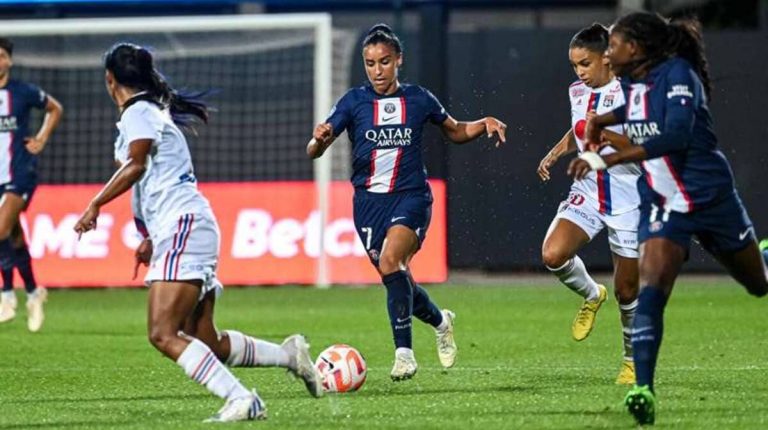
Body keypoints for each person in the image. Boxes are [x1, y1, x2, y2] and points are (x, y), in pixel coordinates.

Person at [74, 43, 322, 423]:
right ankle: (290, 356)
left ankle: (242, 398)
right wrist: (152, 237)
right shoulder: (149, 113)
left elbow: (137, 166)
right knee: (205, 340)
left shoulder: (139, 112)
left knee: (162, 332)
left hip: (185, 225)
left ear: (110, 80)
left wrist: (95, 203)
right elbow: (156, 179)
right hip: (186, 226)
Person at [567, 13, 768, 425]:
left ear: (635, 49)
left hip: (710, 198)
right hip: (663, 203)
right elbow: (633, 112)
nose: (608, 52)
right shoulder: (637, 84)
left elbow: (674, 135)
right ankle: (643, 388)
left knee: (758, 286)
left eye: (614, 45)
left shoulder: (679, 75)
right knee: (652, 288)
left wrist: (610, 157)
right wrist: (601, 122)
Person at [308, 24, 506, 381]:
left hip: (411, 196)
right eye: (370, 63)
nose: (377, 70)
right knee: (395, 276)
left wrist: (484, 123)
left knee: (390, 261)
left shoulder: (419, 99)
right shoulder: (353, 102)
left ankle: (404, 355)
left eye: (384, 61)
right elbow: (314, 149)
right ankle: (442, 321)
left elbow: (455, 129)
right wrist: (319, 141)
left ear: (398, 60)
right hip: (368, 204)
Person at [537, 23, 639, 385]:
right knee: (553, 255)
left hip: (628, 195)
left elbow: (642, 149)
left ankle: (631, 360)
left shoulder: (633, 93)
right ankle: (592, 294)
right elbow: (578, 129)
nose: (579, 72)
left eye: (585, 63)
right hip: (590, 189)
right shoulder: (577, 91)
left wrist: (605, 132)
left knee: (628, 290)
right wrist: (556, 151)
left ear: (607, 59)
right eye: (574, 65)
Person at [0, 37, 63, 332]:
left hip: (20, 173)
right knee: (13, 236)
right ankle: (34, 292)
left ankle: (7, 296)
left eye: (1, 56)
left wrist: (41, 138)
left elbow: (55, 108)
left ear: (9, 60)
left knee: (0, 229)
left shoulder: (23, 92)